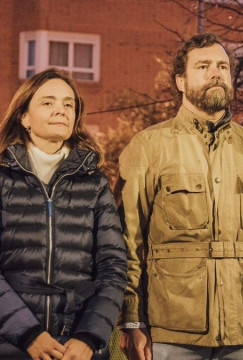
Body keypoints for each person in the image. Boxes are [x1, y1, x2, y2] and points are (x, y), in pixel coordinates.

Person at [116, 33, 243, 360]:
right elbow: (126, 240)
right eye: (204, 66)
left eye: (223, 66)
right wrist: (132, 318)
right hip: (170, 327)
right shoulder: (148, 146)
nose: (216, 73)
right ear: (180, 81)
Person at [0, 68, 128, 360]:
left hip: (78, 350)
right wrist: (28, 335)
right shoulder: (2, 180)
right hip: (12, 347)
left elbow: (113, 267)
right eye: (48, 102)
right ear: (25, 117)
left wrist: (88, 337)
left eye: (68, 104)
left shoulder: (94, 183)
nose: (61, 110)